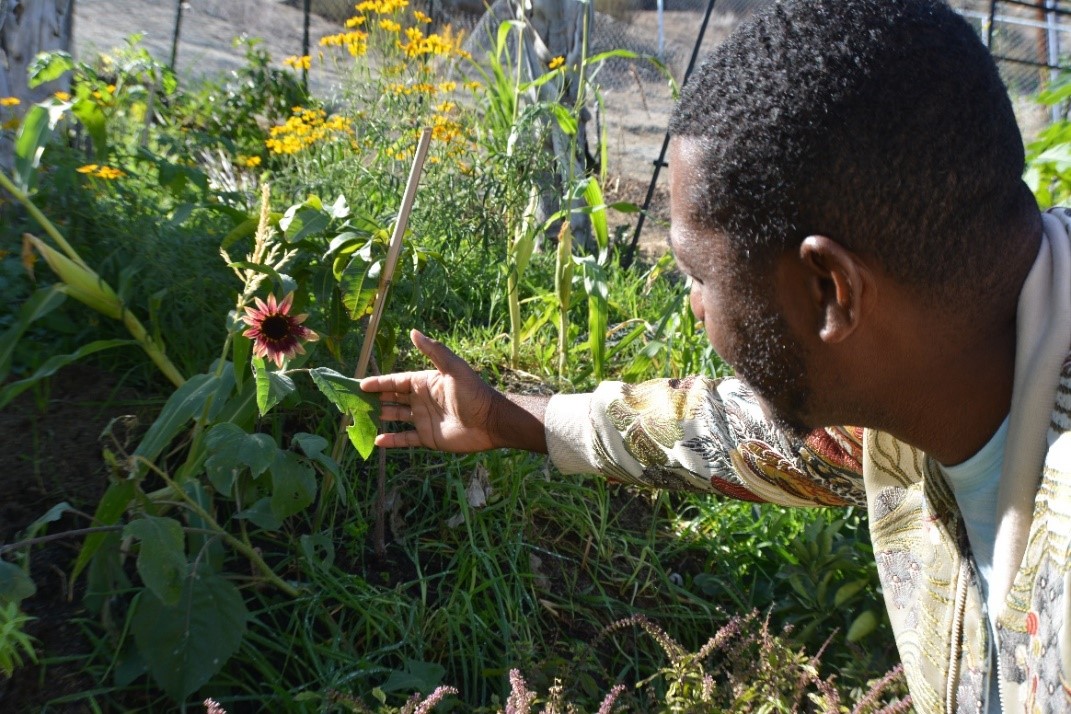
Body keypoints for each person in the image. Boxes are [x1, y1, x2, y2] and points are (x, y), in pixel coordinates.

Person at [360, 0, 1071, 711]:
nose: (692, 306)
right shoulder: (931, 383)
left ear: (830, 291)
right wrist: (501, 417)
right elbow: (723, 433)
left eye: (699, 276)